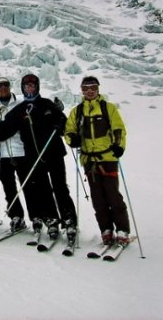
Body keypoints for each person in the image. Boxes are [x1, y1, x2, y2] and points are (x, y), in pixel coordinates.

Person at [0, 74, 77, 240]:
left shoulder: (47, 104)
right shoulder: (19, 110)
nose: (29, 88)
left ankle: (69, 220)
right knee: (44, 189)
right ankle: (52, 220)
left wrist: (60, 122)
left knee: (60, 187)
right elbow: (3, 130)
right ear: (23, 88)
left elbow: (64, 124)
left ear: (37, 87)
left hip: (53, 153)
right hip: (34, 156)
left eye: (32, 85)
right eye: (27, 86)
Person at [64, 76, 130, 245]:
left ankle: (122, 229)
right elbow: (69, 130)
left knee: (113, 195)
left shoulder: (108, 108)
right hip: (89, 160)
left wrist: (119, 146)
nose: (90, 92)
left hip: (108, 157)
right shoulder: (77, 111)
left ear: (98, 89)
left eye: (93, 88)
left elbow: (118, 129)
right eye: (86, 89)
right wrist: (72, 139)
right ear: (82, 91)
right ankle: (106, 230)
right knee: (98, 198)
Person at [0, 77, 28, 232]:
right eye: (0, 86)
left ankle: (38, 216)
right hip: (3, 153)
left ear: (10, 86)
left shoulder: (20, 103)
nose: (3, 88)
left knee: (29, 186)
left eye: (6, 85)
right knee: (8, 187)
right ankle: (16, 216)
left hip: (21, 151)